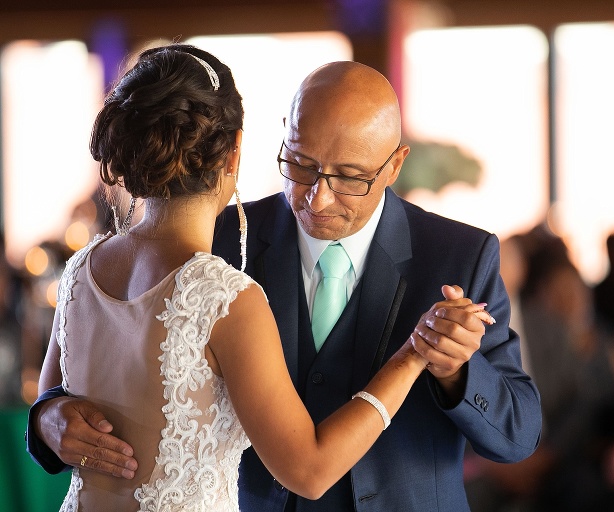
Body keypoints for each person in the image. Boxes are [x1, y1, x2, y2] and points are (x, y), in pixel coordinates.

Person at [28, 57, 542, 511]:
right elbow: (75, 379)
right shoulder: (209, 242)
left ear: (395, 165)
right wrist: (49, 420)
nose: (317, 198)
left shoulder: (459, 255)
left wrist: (456, 372)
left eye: (349, 177)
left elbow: (518, 435)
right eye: (300, 164)